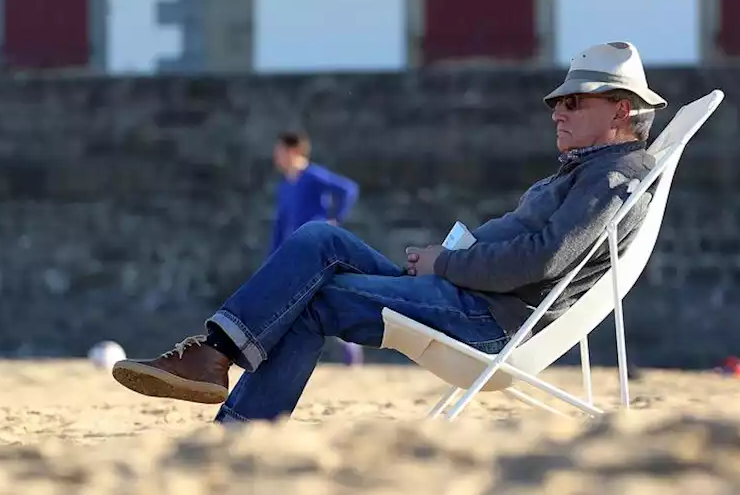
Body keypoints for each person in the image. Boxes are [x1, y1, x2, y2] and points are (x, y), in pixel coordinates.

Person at [112, 42, 666, 424]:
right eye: (556, 102)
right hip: (466, 295)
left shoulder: (614, 175)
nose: (557, 112)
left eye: (574, 101)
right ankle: (215, 356)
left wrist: (443, 265)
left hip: (486, 319)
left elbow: (543, 259)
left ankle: (232, 404)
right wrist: (444, 260)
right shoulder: (590, 169)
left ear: (621, 110)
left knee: (311, 301)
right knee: (318, 240)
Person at [268, 131, 364, 367]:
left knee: (318, 297)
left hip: (315, 248)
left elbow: (348, 189)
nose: (276, 157)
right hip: (294, 250)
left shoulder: (312, 176)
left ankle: (350, 343)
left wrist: (334, 219)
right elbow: (281, 222)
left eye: (279, 151)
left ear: (293, 151)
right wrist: (273, 255)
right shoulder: (285, 185)